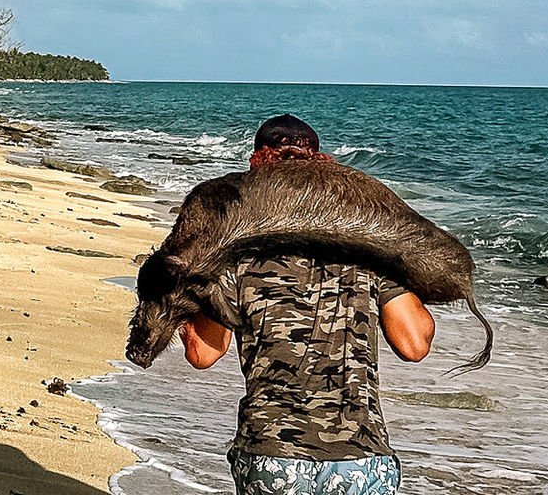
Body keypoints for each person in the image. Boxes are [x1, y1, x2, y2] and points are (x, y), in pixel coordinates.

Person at [176, 114, 435, 495]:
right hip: (361, 460)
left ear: (255, 167)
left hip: (272, 456)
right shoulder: (365, 252)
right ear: (320, 169)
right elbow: (415, 344)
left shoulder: (235, 254)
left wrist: (181, 305)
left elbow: (204, 353)